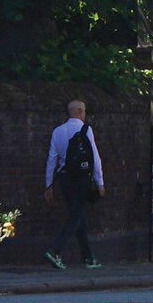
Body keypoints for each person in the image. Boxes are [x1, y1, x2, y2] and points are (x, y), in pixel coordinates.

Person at [43, 99, 104, 269]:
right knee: (75, 217)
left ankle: (88, 257)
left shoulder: (58, 131)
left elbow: (52, 159)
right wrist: (100, 182)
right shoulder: (85, 130)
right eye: (83, 111)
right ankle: (55, 250)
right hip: (81, 179)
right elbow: (95, 158)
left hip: (64, 179)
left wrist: (49, 185)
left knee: (79, 216)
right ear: (79, 111)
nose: (84, 114)